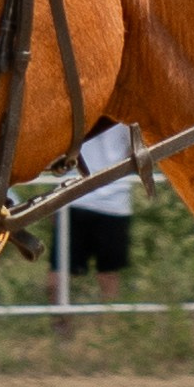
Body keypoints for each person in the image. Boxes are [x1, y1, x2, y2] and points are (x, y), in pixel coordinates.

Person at [64, 123, 139, 303]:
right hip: (74, 198)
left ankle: (107, 328)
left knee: (108, 276)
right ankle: (63, 329)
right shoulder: (78, 104)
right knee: (59, 279)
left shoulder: (126, 112)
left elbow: (137, 151)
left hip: (114, 202)